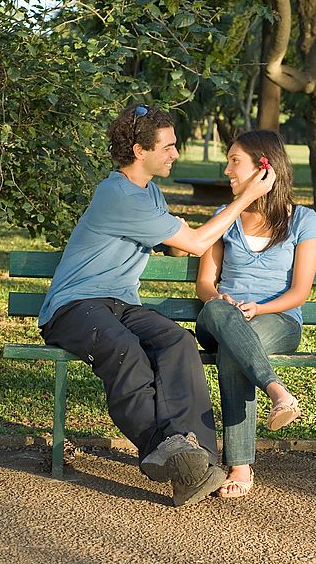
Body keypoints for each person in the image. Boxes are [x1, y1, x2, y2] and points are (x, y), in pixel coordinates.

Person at [38, 104, 275, 507]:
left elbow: (176, 240)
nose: (175, 154)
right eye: (168, 147)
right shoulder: (117, 194)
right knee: (126, 351)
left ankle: (193, 457)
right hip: (75, 307)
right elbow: (197, 243)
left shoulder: (150, 194)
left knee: (177, 344)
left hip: (120, 303)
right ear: (138, 151)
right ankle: (167, 451)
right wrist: (247, 196)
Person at [195, 129, 316, 498]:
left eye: (235, 161)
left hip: (277, 319)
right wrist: (223, 300)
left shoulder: (302, 220)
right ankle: (277, 391)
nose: (227, 170)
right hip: (219, 317)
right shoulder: (225, 216)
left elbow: (300, 292)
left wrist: (260, 307)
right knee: (224, 318)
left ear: (264, 168)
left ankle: (239, 465)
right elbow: (205, 284)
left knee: (235, 350)